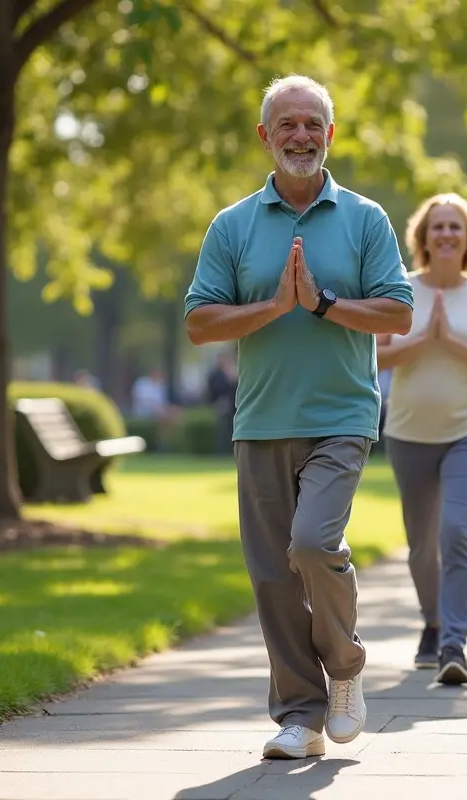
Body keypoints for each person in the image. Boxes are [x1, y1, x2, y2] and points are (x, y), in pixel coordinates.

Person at [183, 74, 413, 760]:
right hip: (260, 421)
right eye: (288, 124)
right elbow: (199, 322)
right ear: (265, 136)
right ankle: (300, 716)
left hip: (342, 415)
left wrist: (321, 304)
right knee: (274, 577)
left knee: (313, 544)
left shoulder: (365, 219)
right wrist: (273, 308)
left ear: (331, 134)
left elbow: (399, 312)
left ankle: (344, 669)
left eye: (313, 123)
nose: (302, 136)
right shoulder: (232, 225)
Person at [378, 193, 467, 685]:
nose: (447, 234)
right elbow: (377, 357)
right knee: (420, 546)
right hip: (409, 431)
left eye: (456, 226)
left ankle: (454, 644)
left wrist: (451, 341)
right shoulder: (400, 290)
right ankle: (432, 623)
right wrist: (422, 340)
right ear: (424, 237)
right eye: (438, 226)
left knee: (455, 530)